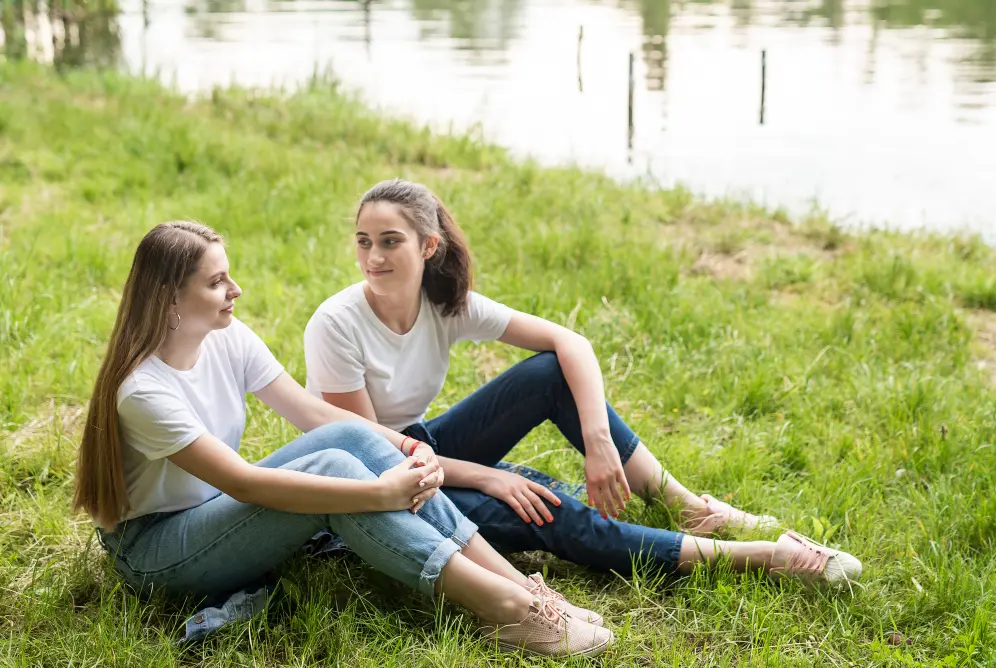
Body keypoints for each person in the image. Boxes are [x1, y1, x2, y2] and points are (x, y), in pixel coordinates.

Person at [72, 221, 614, 658]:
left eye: (228, 276)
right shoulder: (142, 391)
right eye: (216, 282)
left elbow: (313, 412)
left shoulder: (227, 336)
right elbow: (243, 482)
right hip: (156, 551)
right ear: (169, 298)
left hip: (214, 512)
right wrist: (378, 494)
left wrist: (401, 448)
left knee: (350, 440)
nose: (235, 290)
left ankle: (521, 588)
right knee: (336, 469)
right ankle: (501, 608)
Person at [303, 179, 863, 587]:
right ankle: (763, 557)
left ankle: (690, 507)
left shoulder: (445, 304)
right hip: (372, 493)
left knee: (550, 373)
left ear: (428, 246)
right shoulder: (336, 324)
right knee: (545, 509)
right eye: (363, 241)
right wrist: (491, 480)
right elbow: (371, 451)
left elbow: (571, 344)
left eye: (390, 241)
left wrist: (597, 441)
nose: (373, 257)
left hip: (421, 450)